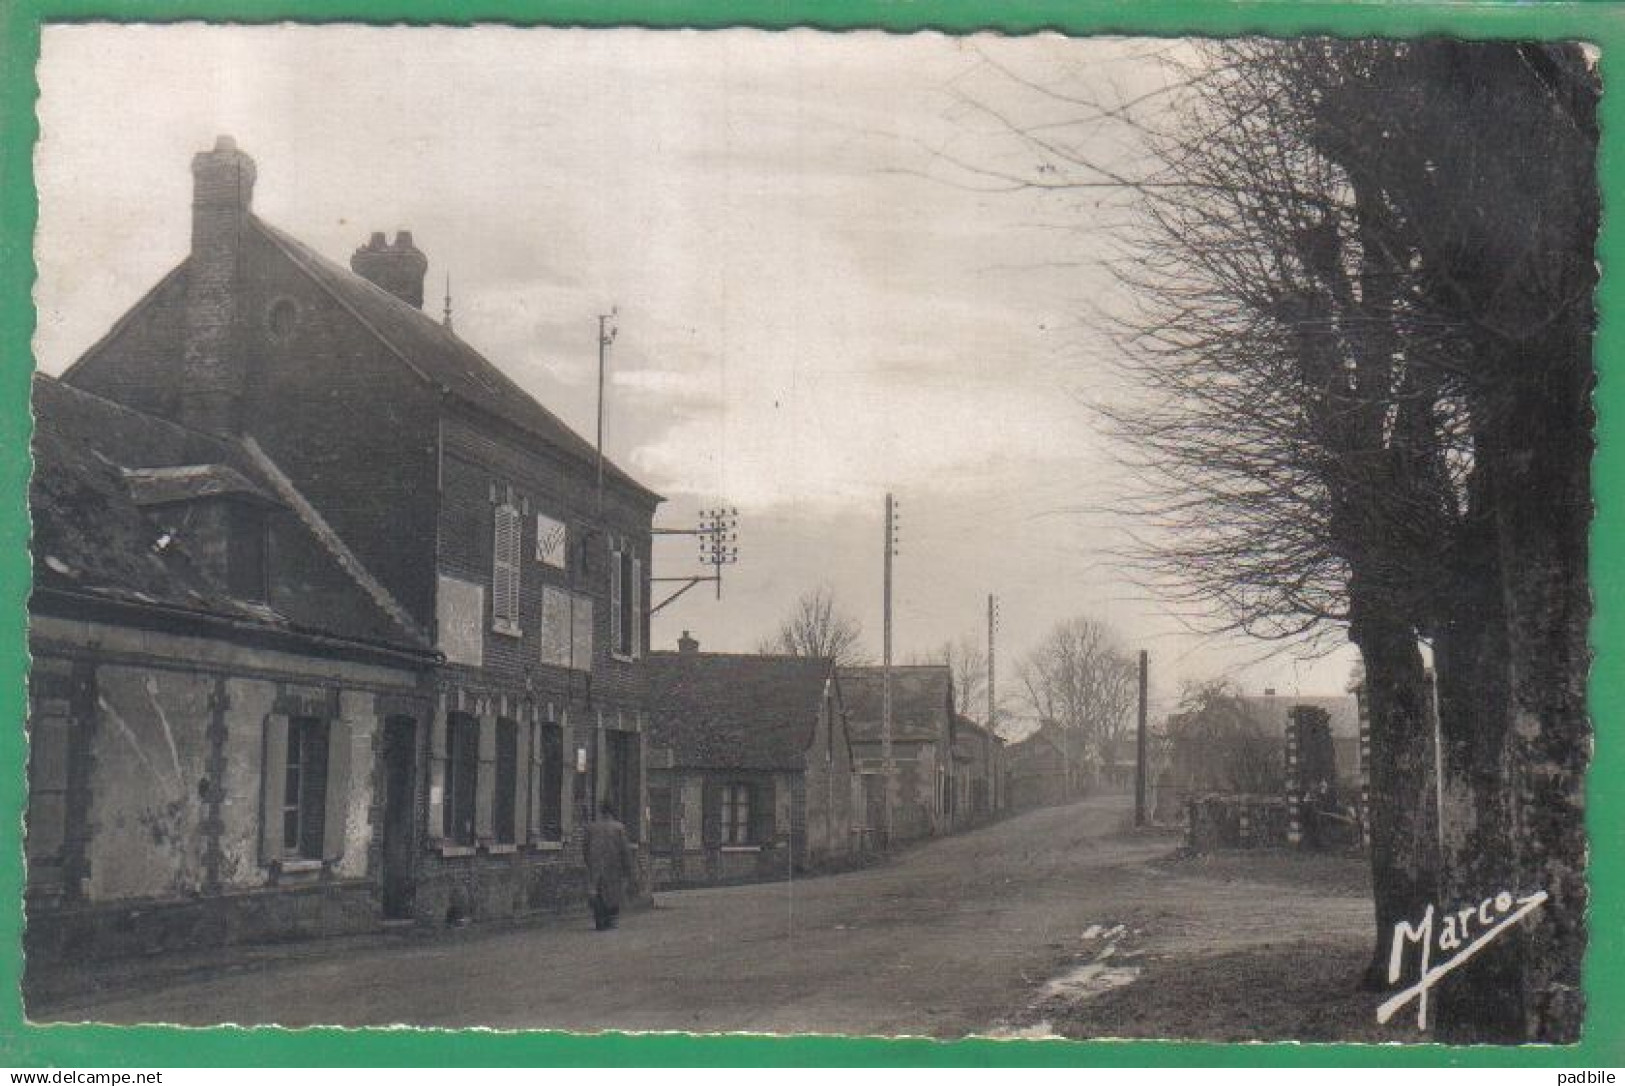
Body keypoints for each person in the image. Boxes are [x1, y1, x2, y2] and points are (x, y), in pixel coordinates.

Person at [583, 801, 637, 931]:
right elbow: (625, 850)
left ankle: (599, 919)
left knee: (597, 892)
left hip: (596, 866)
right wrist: (628, 869)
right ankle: (609, 919)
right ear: (612, 812)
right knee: (612, 894)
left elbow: (585, 848)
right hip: (614, 866)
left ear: (601, 812)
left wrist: (589, 862)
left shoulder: (591, 827)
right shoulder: (619, 828)